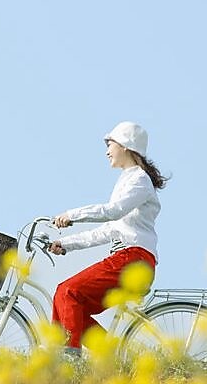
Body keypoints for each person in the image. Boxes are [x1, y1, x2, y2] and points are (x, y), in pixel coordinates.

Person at [49, 121, 168, 353]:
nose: (106, 151)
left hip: (133, 258)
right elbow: (108, 229)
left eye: (109, 144)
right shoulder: (127, 179)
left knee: (68, 292)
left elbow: (113, 211)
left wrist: (72, 215)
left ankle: (69, 358)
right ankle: (111, 356)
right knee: (68, 303)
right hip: (128, 258)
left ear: (125, 145)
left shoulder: (140, 180)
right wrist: (66, 244)